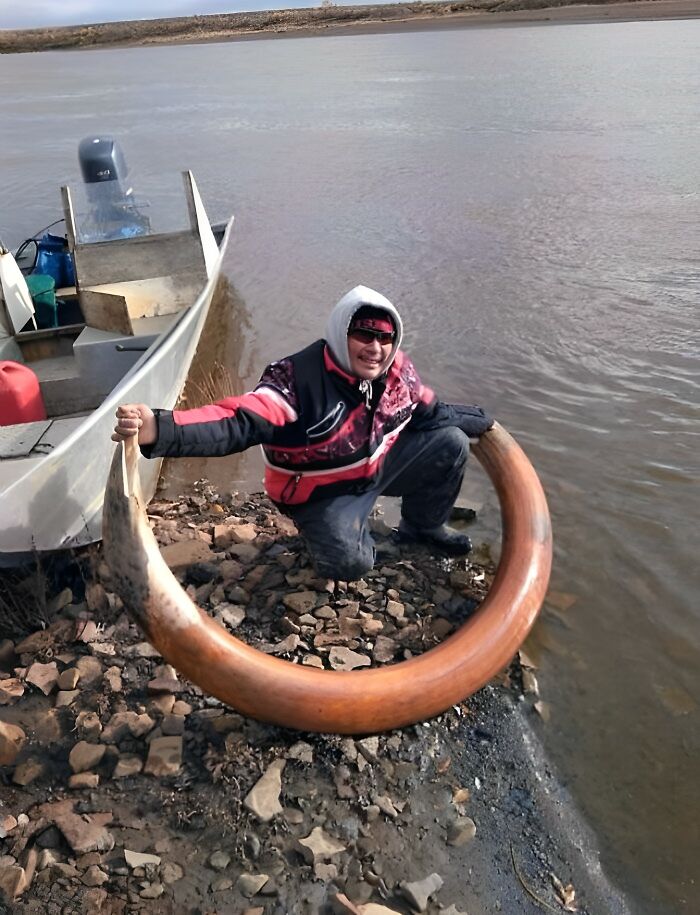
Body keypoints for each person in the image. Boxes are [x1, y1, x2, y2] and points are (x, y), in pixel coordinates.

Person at [112, 285, 493, 581]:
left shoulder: (397, 371)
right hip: (321, 494)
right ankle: (334, 538)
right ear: (341, 332)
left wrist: (478, 419)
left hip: (376, 468)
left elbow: (427, 409)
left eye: (385, 338)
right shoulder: (295, 380)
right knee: (348, 564)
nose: (375, 348)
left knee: (452, 441)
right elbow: (235, 422)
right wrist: (158, 428)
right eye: (364, 334)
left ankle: (422, 527)